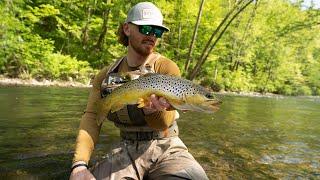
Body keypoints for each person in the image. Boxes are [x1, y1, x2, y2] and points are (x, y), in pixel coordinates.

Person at [70, 2, 209, 180]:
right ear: (127, 29)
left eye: (157, 31)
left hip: (166, 146)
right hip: (125, 149)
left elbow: (163, 124)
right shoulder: (105, 75)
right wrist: (79, 164)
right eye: (146, 28)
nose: (152, 35)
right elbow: (91, 117)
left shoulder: (166, 67)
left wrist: (151, 110)